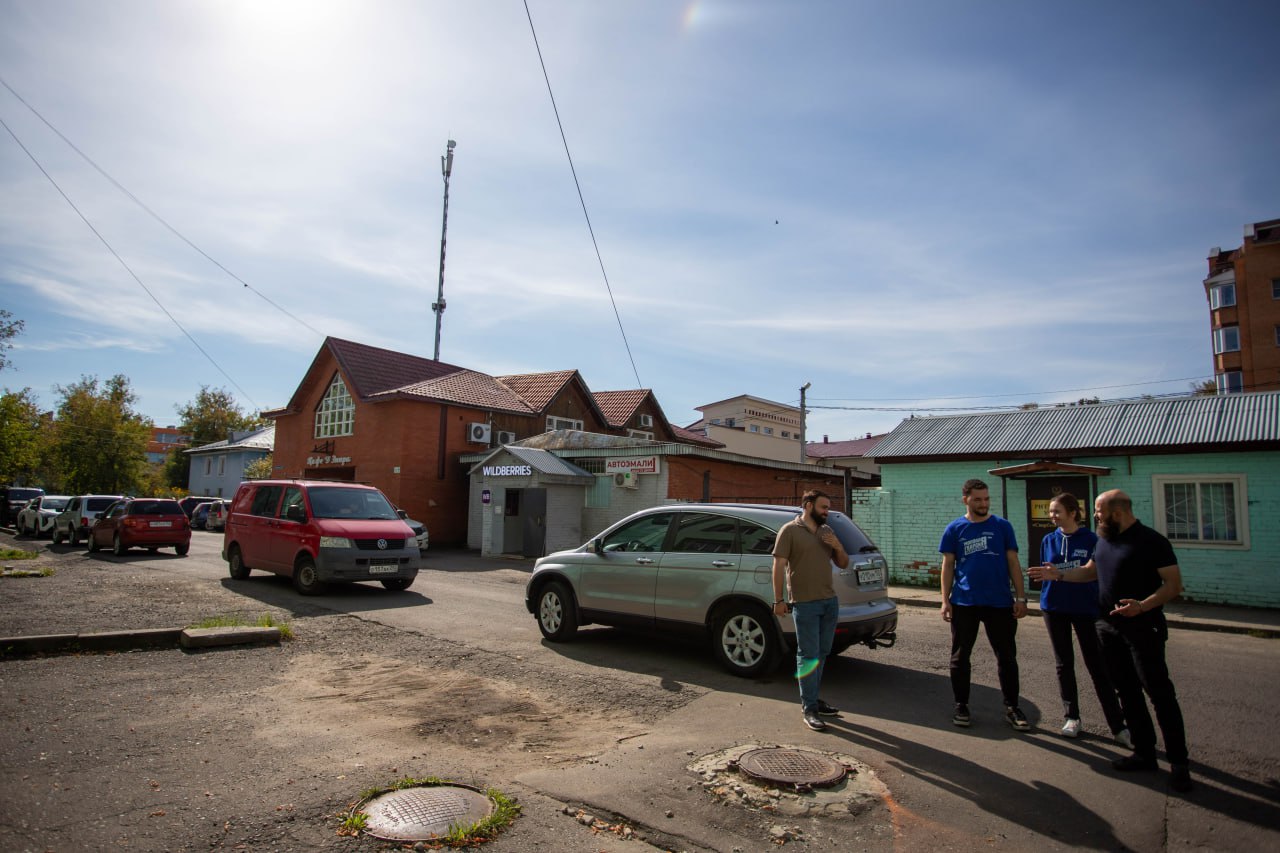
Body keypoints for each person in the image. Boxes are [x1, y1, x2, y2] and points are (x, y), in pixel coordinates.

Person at [1032, 489, 1192, 792]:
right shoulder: (1104, 540)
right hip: (1107, 626)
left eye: (1098, 510)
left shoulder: (1152, 542)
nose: (1095, 516)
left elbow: (1173, 585)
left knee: (1159, 693)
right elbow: (1090, 573)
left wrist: (1143, 606)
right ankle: (1143, 753)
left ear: (1117, 513)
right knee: (1127, 691)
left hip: (1143, 628)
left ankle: (1179, 763)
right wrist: (1060, 576)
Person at [1033, 493, 1128, 743]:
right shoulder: (1048, 540)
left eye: (1057, 512)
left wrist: (1059, 572)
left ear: (1073, 513)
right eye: (1050, 512)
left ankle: (1118, 725)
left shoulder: (1092, 540)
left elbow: (1093, 572)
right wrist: (1048, 576)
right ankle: (1071, 717)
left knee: (1097, 665)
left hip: (1085, 607)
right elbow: (1047, 570)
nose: (1052, 516)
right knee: (1063, 663)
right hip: (1053, 606)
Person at [939, 478, 1029, 730]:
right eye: (977, 499)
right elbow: (948, 567)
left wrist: (1021, 597)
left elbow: (1013, 562)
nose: (983, 503)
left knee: (1007, 657)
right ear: (965, 499)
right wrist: (945, 601)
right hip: (964, 603)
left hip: (999, 603)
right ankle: (961, 705)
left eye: (986, 499)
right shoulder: (955, 529)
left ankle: (1012, 707)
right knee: (960, 656)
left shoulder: (1002, 526)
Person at [772, 489, 850, 732]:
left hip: (829, 602)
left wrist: (837, 546)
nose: (827, 512)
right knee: (808, 655)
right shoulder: (790, 531)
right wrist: (778, 600)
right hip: (805, 603)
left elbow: (844, 562)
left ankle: (814, 699)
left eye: (828, 507)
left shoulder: (827, 531)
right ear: (808, 505)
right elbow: (778, 565)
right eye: (823, 507)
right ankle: (809, 708)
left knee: (823, 652)